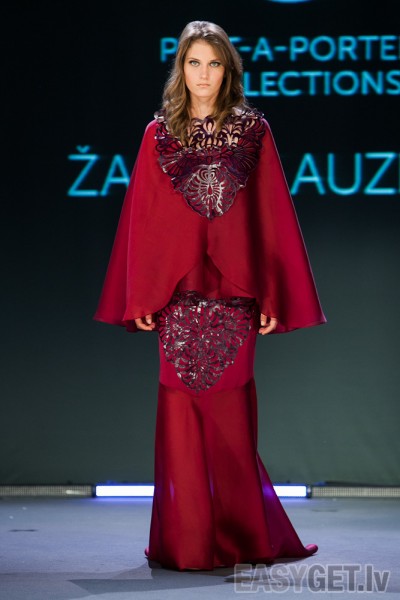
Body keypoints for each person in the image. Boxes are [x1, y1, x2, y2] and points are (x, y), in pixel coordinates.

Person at [94, 20, 326, 571]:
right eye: (194, 63)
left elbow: (271, 216)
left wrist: (271, 295)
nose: (203, 74)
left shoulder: (253, 131)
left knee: (229, 416)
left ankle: (241, 537)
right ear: (181, 68)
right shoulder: (158, 133)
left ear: (228, 70)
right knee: (179, 415)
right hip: (176, 299)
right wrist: (141, 295)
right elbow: (144, 222)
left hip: (234, 297)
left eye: (214, 64)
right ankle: (188, 542)